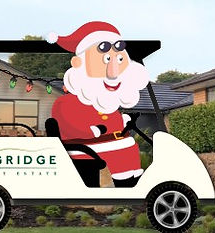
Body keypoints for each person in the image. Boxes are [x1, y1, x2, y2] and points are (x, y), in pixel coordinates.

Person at [49, 21, 149, 187]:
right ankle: (123, 186)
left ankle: (129, 186)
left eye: (119, 59)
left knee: (128, 149)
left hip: (109, 145)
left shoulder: (104, 101)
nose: (113, 72)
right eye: (107, 59)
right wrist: (96, 130)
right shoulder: (65, 103)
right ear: (78, 64)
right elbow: (70, 126)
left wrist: (123, 121)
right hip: (84, 148)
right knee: (119, 152)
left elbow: (112, 120)